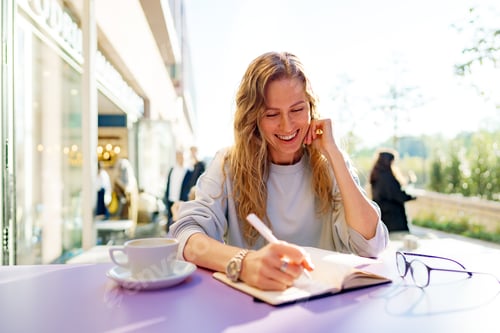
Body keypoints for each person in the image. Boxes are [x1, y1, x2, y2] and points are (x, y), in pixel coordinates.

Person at [169, 51, 389, 291]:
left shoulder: (330, 163)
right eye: (272, 114)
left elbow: (371, 244)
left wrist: (334, 154)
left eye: (297, 110)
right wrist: (245, 262)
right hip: (255, 306)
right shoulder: (228, 164)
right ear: (254, 118)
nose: (287, 126)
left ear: (311, 108)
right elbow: (185, 236)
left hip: (325, 302)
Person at [369, 149, 416, 232]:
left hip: (382, 217)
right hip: (394, 219)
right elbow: (397, 195)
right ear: (389, 161)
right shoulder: (387, 177)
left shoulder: (376, 175)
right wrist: (411, 197)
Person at [164, 150, 193, 226]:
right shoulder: (172, 170)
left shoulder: (188, 171)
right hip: (170, 199)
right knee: (170, 222)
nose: (180, 158)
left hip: (181, 201)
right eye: (178, 156)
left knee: (179, 222)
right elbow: (168, 184)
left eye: (181, 156)